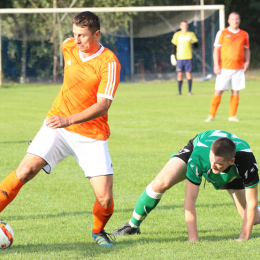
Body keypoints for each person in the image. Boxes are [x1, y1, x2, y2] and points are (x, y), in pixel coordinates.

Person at [0, 11, 120, 247]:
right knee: (24, 171)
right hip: (57, 127)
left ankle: (98, 232)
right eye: (74, 34)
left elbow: (103, 105)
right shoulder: (69, 47)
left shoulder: (109, 62)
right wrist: (63, 121)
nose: (77, 41)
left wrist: (69, 120)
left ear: (97, 34)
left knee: (105, 199)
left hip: (90, 135)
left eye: (83, 36)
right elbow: (69, 47)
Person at [113, 130, 260, 242]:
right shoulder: (200, 157)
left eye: (218, 164)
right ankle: (132, 226)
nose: (212, 166)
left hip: (232, 169)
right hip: (199, 149)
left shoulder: (246, 162)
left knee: (253, 219)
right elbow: (190, 199)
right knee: (161, 182)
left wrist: (243, 237)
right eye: (212, 161)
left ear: (232, 161)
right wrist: (193, 238)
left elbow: (252, 201)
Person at [205, 12, 250, 122]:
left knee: (235, 91)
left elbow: (246, 50)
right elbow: (216, 49)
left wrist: (247, 62)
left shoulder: (244, 34)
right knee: (219, 91)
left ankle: (232, 116)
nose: (235, 21)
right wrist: (216, 64)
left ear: (239, 20)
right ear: (228, 21)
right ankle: (211, 115)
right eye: (233, 19)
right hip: (224, 68)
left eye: (237, 19)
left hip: (238, 68)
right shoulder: (222, 33)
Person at [171, 21, 198, 95]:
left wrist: (194, 42)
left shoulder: (191, 34)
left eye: (185, 25)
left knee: (189, 74)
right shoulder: (177, 35)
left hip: (188, 57)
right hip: (180, 57)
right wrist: (173, 55)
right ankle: (179, 91)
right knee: (180, 74)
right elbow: (174, 46)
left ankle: (189, 91)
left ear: (187, 26)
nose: (184, 27)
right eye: (183, 25)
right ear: (180, 26)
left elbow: (196, 46)